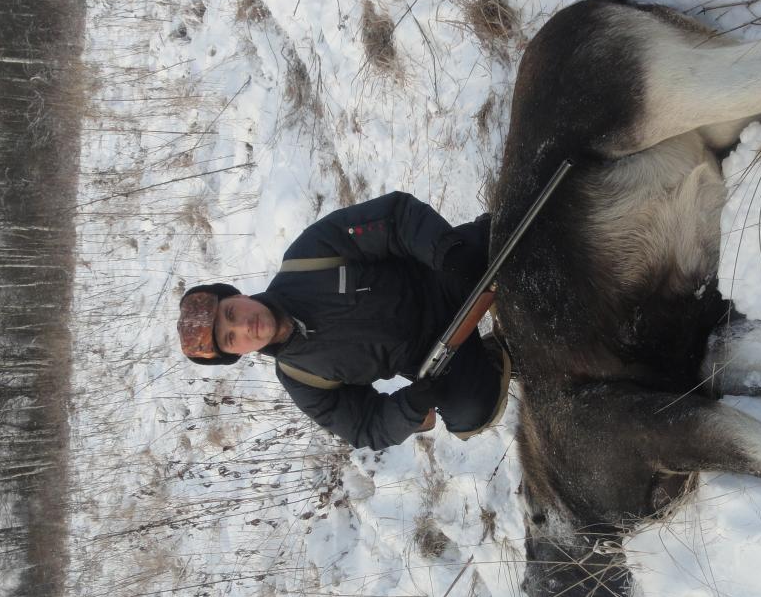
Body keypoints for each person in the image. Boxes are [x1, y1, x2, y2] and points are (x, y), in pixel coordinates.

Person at [176, 192, 510, 451]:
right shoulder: (302, 380)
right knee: (469, 417)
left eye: (231, 314)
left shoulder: (309, 255)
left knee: (507, 243)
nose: (243, 327)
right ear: (238, 353)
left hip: (441, 275)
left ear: (237, 296)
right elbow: (365, 426)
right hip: (438, 356)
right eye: (230, 338)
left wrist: (446, 253)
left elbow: (396, 217)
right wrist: (408, 408)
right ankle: (496, 354)